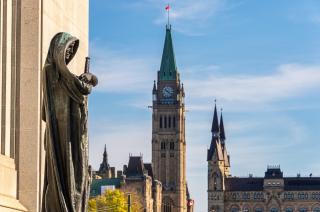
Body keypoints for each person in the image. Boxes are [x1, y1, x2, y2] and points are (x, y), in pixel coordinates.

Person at [42, 32, 97, 212]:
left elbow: (79, 90)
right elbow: (79, 89)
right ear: (58, 48)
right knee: (64, 175)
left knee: (77, 176)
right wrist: (86, 81)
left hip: (72, 133)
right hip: (60, 132)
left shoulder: (65, 77)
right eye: (68, 48)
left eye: (72, 49)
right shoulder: (51, 71)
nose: (69, 52)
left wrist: (85, 82)